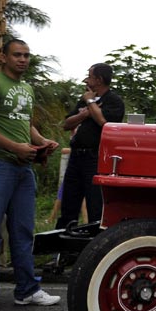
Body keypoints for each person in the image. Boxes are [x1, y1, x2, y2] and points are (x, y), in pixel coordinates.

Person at [0, 38, 61, 311]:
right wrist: (14, 148)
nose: (23, 59)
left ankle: (27, 291)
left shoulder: (25, 88)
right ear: (4, 57)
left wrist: (42, 140)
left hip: (23, 169)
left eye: (26, 55)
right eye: (17, 55)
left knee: (23, 231)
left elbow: (25, 123)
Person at [56, 62, 125, 229]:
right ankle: (63, 248)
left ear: (99, 80)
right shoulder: (85, 100)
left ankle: (94, 244)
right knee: (69, 202)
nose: (86, 79)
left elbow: (103, 121)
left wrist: (90, 102)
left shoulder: (113, 101)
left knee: (95, 205)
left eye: (90, 76)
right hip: (76, 156)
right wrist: (87, 111)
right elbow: (66, 124)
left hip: (96, 158)